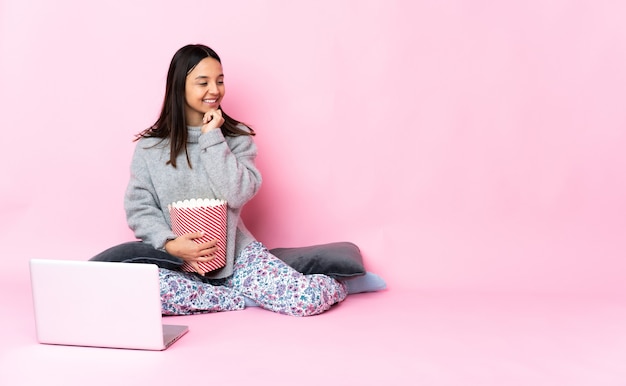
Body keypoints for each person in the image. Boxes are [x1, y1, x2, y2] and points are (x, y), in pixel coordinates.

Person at [124, 44, 349, 316]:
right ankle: (241, 299)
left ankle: (342, 283)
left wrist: (211, 138)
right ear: (178, 86)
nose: (215, 90)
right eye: (203, 82)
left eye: (219, 81)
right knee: (140, 295)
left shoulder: (236, 137)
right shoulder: (150, 148)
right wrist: (170, 244)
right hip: (180, 263)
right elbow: (139, 208)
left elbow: (238, 192)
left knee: (305, 300)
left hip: (238, 256)